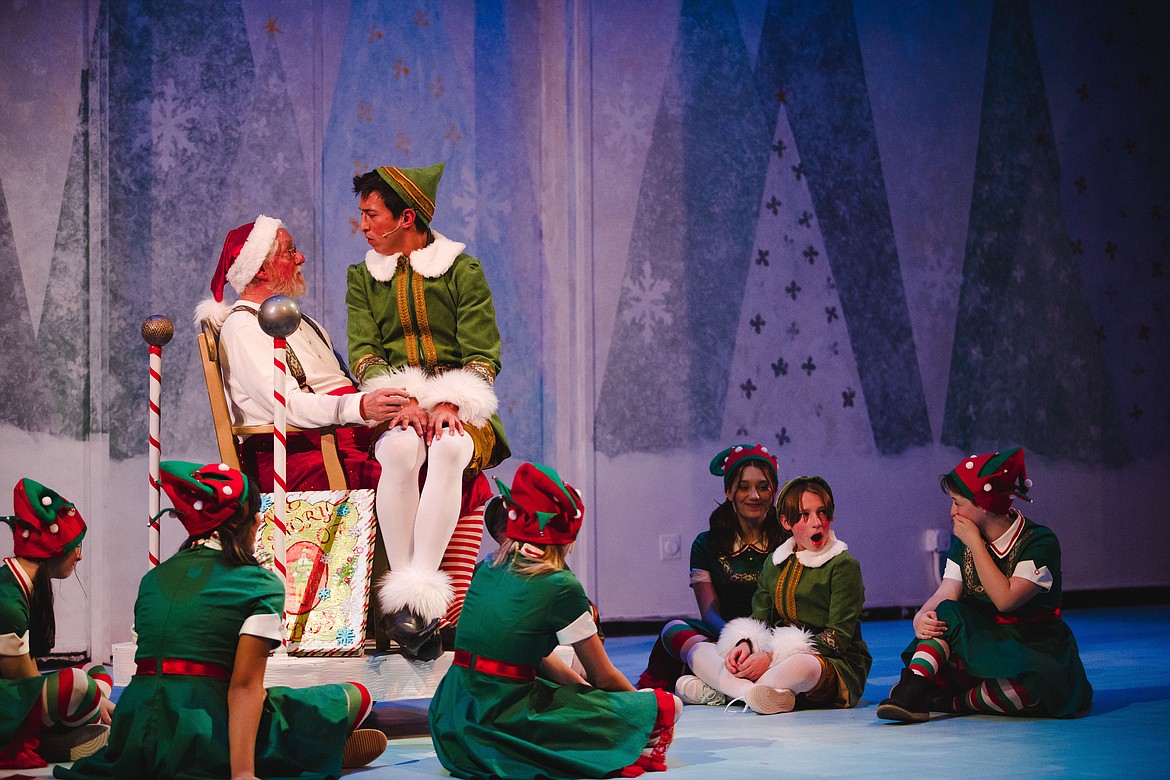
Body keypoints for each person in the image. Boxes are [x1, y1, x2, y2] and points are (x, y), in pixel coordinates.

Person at [197, 216, 490, 659]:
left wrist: (401, 406)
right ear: (259, 269)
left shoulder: (303, 321)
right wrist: (360, 409)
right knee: (436, 469)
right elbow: (287, 405)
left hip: (340, 440)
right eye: (288, 251)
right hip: (294, 457)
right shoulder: (245, 327)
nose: (301, 258)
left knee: (454, 457)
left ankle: (423, 612)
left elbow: (347, 389)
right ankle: (426, 617)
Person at [56, 461, 388, 779]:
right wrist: (241, 774)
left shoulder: (154, 579)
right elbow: (244, 688)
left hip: (135, 730)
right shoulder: (260, 583)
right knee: (351, 696)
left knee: (273, 703)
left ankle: (307, 746)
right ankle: (306, 749)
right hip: (203, 729)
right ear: (252, 522)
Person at [347, 163, 509, 659]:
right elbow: (366, 354)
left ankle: (419, 598)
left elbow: (483, 354)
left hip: (462, 408)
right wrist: (406, 399)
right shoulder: (363, 277)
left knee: (449, 449)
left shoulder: (463, 270)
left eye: (372, 215)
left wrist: (449, 401)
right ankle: (408, 601)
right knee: (397, 452)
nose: (364, 225)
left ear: (407, 217)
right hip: (400, 408)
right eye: (362, 215)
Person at [429, 462, 681, 779]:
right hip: (500, 721)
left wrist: (587, 694)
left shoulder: (487, 567)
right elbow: (603, 676)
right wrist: (639, 714)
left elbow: (542, 660)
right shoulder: (559, 584)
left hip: (452, 719)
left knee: (571, 693)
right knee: (663, 705)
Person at [877, 448, 1093, 723]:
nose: (952, 511)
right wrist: (922, 616)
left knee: (1033, 689)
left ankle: (950, 702)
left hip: (1032, 643)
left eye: (958, 503)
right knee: (945, 612)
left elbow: (1006, 600)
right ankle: (911, 691)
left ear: (984, 505)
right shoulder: (965, 540)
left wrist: (977, 545)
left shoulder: (1039, 541)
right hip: (983, 639)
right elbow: (948, 591)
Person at [675, 476, 871, 715]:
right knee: (700, 651)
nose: (817, 523)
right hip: (773, 664)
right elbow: (759, 621)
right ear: (786, 522)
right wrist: (746, 645)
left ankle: (724, 691)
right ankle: (756, 694)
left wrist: (771, 657)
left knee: (801, 666)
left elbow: (837, 639)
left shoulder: (843, 565)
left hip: (829, 662)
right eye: (804, 516)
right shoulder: (775, 562)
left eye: (822, 513)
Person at [636, 444, 784, 692]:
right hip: (722, 636)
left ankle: (718, 685)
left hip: (773, 638)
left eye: (763, 487)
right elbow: (709, 612)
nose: (754, 496)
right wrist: (737, 640)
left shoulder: (787, 540)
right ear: (728, 491)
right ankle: (736, 684)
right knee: (673, 630)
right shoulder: (706, 544)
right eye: (744, 487)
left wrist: (758, 643)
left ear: (775, 490)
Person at [1, 480, 113, 768]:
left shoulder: (19, 586)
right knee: (77, 686)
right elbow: (25, 692)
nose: (80, 555)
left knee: (94, 671)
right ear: (53, 549)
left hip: (13, 698)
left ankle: (74, 729)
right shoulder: (7, 603)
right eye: (76, 546)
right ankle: (54, 744)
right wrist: (96, 705)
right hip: (10, 708)